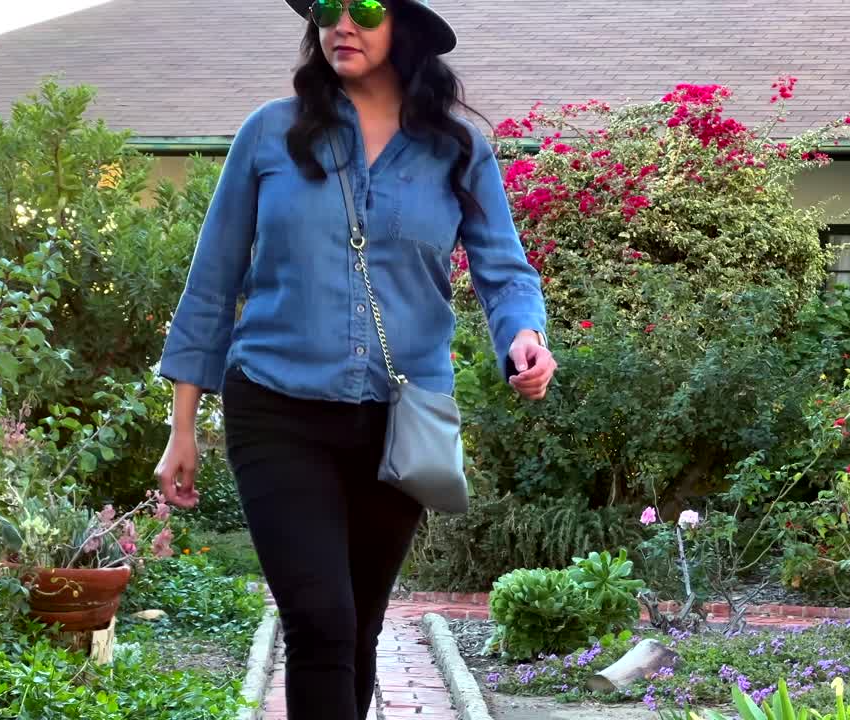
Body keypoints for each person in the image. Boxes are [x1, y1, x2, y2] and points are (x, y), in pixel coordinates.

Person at [153, 1, 555, 717]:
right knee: (322, 625)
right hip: (277, 409)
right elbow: (212, 282)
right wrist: (181, 427)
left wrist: (523, 336)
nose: (343, 22)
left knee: (359, 628)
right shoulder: (271, 133)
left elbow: (504, 270)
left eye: (365, 7)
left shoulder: (456, 149)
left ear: (404, 26)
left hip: (400, 421)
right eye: (327, 8)